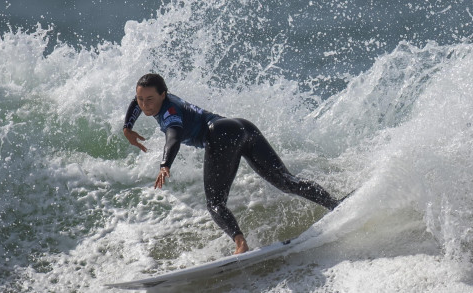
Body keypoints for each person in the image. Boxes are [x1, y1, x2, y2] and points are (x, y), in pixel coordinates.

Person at [122, 73, 340, 254]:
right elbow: (136, 102)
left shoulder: (170, 112)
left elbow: (174, 136)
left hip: (220, 134)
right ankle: (335, 205)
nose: (144, 104)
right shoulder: (152, 99)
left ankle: (240, 244)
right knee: (286, 182)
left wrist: (165, 163)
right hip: (242, 127)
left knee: (215, 203)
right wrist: (127, 127)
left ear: (163, 95)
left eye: (149, 99)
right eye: (140, 99)